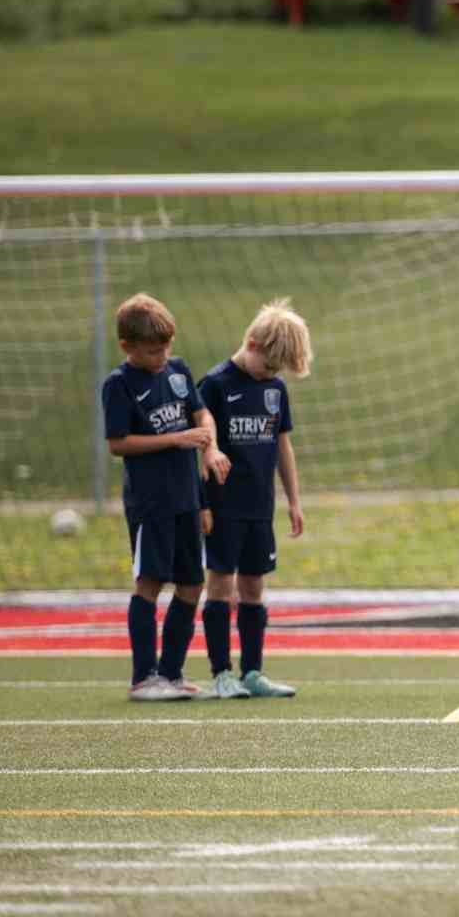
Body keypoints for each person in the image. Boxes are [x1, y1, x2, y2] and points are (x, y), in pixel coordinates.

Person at [102, 293, 227, 702]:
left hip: (187, 499)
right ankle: (144, 677)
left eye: (167, 347)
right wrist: (177, 439)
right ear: (128, 347)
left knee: (192, 583)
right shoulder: (118, 385)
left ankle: (171, 673)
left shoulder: (177, 371)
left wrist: (208, 446)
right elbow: (118, 443)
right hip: (150, 502)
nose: (163, 355)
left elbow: (201, 415)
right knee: (150, 582)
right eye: (154, 350)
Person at [196, 298, 313, 700]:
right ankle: (220, 674)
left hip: (259, 508)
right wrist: (203, 503)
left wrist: (293, 500)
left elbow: (283, 447)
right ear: (252, 343)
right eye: (268, 366)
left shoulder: (275, 390)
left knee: (253, 588)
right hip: (223, 507)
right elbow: (199, 447)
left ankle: (252, 672)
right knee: (221, 587)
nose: (271, 375)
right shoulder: (214, 385)